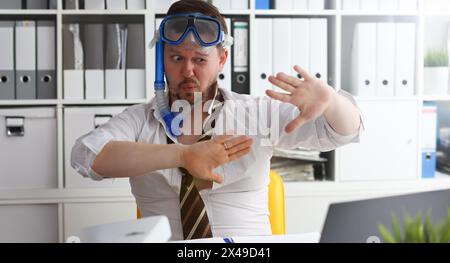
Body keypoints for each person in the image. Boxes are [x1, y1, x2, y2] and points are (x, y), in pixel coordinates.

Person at [71, 0, 363, 241]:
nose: (187, 71)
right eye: (176, 58)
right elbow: (87, 155)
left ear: (222, 60)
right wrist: (183, 155)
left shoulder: (257, 112)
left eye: (200, 60)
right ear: (162, 58)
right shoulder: (139, 120)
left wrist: (332, 101)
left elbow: (344, 132)